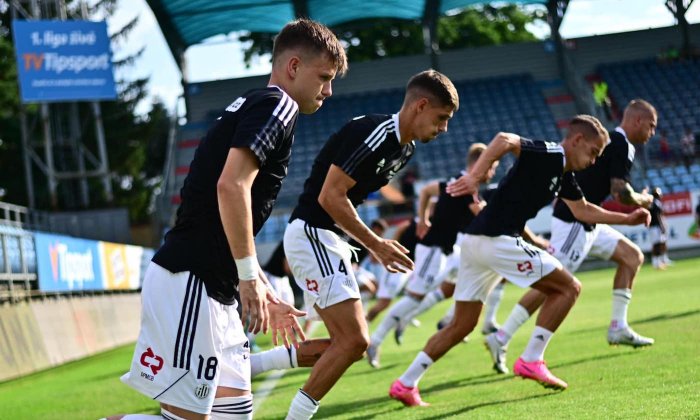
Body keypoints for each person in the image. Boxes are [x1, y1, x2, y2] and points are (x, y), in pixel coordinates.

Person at [107, 19, 347, 420]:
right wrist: (250, 279)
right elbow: (230, 187)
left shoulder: (257, 104)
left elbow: (227, 205)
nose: (329, 90)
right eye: (323, 77)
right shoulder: (278, 105)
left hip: (212, 288)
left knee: (232, 416)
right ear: (292, 67)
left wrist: (261, 287)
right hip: (191, 281)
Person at [389, 115, 651, 407]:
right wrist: (475, 176)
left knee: (461, 326)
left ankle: (405, 383)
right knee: (568, 288)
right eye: (593, 152)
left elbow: (583, 211)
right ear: (577, 140)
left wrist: (626, 218)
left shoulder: (562, 175)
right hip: (496, 240)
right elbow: (504, 139)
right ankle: (531, 359)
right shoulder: (551, 153)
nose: (594, 161)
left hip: (476, 243)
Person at [283, 70, 458, 419]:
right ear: (420, 105)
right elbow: (331, 196)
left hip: (326, 239)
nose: (444, 129)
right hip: (313, 233)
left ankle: (237, 364)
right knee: (355, 341)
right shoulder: (376, 134)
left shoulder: (404, 149)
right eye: (441, 118)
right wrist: (377, 244)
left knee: (342, 345)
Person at [484, 100, 659, 376]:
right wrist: (644, 199)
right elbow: (620, 191)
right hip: (576, 222)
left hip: (587, 221)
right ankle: (501, 337)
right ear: (637, 121)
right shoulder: (623, 145)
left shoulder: (610, 141)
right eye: (651, 126)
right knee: (553, 286)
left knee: (631, 256)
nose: (652, 133)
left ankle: (618, 327)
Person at [366, 143, 498, 368]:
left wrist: (424, 217)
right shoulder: (466, 186)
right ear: (480, 163)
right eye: (491, 166)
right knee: (413, 297)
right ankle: (375, 340)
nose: (492, 172)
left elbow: (427, 191)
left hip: (449, 250)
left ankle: (449, 320)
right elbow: (484, 217)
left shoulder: (457, 180)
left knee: (473, 273)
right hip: (433, 249)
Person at [365, 219, 419, 322]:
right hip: (398, 265)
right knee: (384, 302)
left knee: (415, 294)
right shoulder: (412, 223)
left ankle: (404, 317)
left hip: (410, 267)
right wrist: (394, 252)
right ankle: (365, 323)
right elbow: (400, 229)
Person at [649, 187, 672, 269]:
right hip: (655, 226)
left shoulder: (655, 203)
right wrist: (662, 226)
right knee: (657, 244)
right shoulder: (655, 204)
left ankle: (661, 260)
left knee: (660, 243)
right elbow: (658, 216)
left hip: (655, 226)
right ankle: (656, 262)